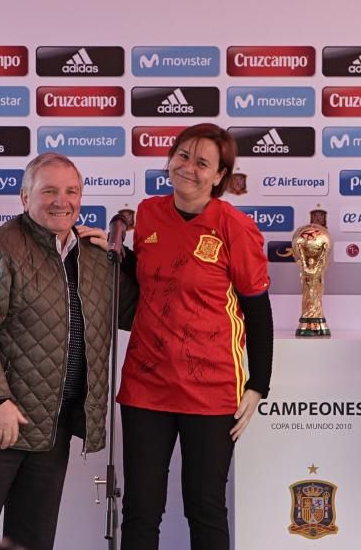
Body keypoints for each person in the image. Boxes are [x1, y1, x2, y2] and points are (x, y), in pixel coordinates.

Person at [0, 152, 137, 550]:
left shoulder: (94, 256)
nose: (61, 201)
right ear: (24, 196)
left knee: (32, 541)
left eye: (71, 191)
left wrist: (124, 259)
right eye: (49, 191)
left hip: (51, 427)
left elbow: (133, 314)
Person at [116, 123, 274, 550]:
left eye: (202, 162)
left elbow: (257, 311)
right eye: (182, 156)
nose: (188, 168)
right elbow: (151, 275)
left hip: (210, 387)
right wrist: (110, 254)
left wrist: (258, 384)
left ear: (220, 176)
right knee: (140, 510)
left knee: (204, 508)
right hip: (146, 382)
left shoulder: (235, 227)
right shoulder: (148, 213)